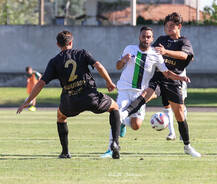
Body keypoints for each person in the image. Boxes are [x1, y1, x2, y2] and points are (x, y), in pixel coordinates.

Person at [17, 30, 121, 159]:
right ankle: (115, 143)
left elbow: (40, 83)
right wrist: (109, 82)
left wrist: (27, 102)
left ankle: (65, 152)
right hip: (90, 96)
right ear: (71, 42)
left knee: (60, 116)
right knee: (114, 107)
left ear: (57, 44)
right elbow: (98, 65)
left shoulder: (54, 61)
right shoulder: (82, 53)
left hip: (71, 101)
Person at [119, 12, 201, 157]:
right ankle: (123, 116)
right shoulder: (162, 39)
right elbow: (149, 51)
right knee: (145, 95)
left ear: (179, 26)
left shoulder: (184, 42)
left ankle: (187, 146)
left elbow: (184, 55)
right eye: (166, 26)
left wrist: (166, 52)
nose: (168, 29)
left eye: (171, 26)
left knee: (180, 113)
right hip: (158, 77)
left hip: (173, 80)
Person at [101, 26, 190, 158]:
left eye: (148, 37)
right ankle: (111, 147)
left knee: (136, 125)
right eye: (144, 36)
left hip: (140, 94)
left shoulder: (156, 55)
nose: (146, 39)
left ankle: (124, 124)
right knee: (117, 115)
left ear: (152, 39)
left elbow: (166, 73)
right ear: (139, 37)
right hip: (125, 90)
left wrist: (180, 77)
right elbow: (118, 66)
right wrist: (123, 60)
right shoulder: (129, 49)